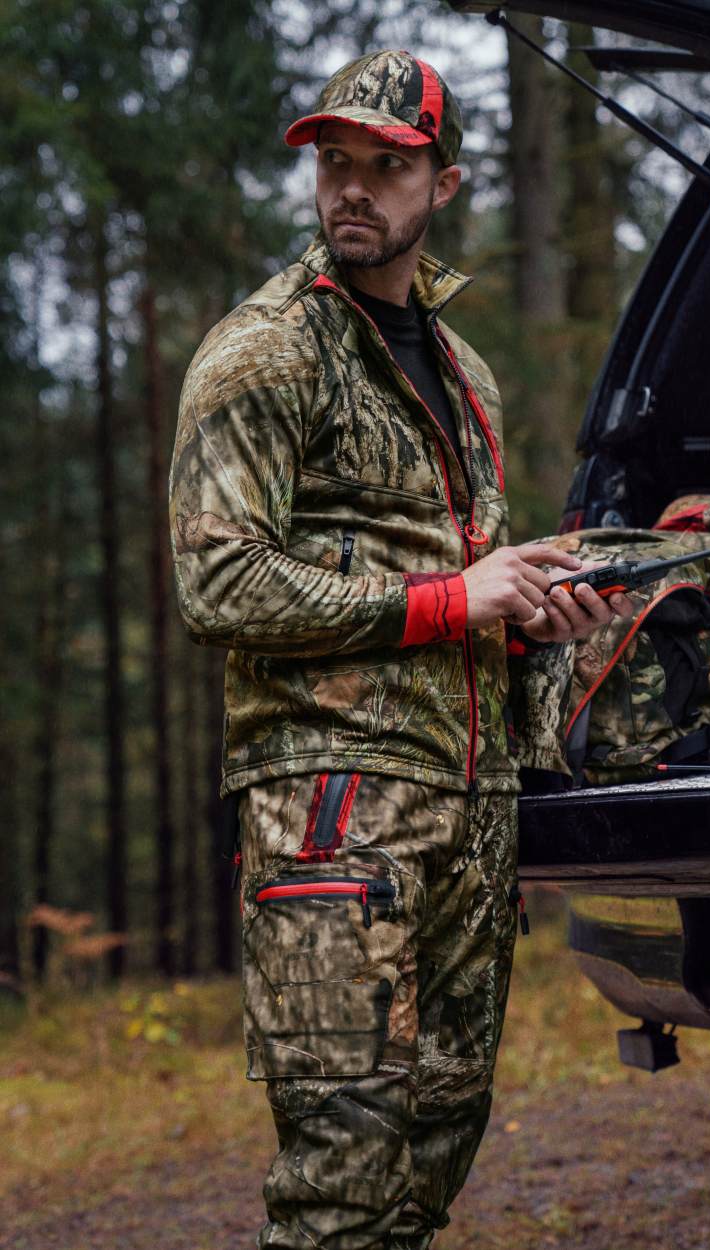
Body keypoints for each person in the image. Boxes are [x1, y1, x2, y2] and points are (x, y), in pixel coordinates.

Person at [169, 49, 632, 1250]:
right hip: (333, 806)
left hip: (465, 808)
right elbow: (215, 578)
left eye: (388, 164)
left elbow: (462, 574)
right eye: (335, 162)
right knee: (341, 1181)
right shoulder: (264, 351)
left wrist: (530, 609)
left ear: (446, 183)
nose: (353, 189)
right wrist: (449, 598)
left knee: (431, 1155)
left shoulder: (462, 368)